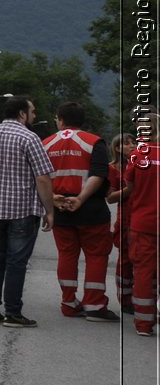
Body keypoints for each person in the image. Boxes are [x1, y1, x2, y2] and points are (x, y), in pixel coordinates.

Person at [0, 96, 55, 327]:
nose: (34, 116)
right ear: (22, 114)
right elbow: (42, 178)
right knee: (17, 262)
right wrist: (50, 210)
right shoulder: (30, 137)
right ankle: (13, 313)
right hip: (23, 211)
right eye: (32, 112)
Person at [45, 102, 117, 321]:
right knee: (96, 255)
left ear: (60, 119)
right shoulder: (94, 142)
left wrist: (53, 199)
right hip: (91, 209)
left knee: (67, 255)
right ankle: (94, 305)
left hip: (60, 208)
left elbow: (40, 176)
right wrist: (81, 198)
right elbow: (98, 174)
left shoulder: (46, 143)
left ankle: (68, 302)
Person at [124, 110, 158, 336]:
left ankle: (144, 324)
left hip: (143, 222)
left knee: (144, 272)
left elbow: (130, 187)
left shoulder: (138, 155)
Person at [108, 133, 134, 312]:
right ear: (117, 148)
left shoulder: (141, 163)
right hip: (125, 218)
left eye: (133, 142)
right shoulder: (113, 168)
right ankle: (125, 299)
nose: (132, 145)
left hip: (143, 216)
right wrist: (129, 188)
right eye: (127, 143)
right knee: (125, 260)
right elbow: (110, 198)